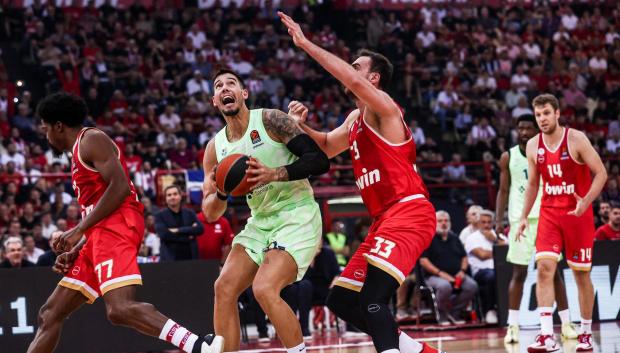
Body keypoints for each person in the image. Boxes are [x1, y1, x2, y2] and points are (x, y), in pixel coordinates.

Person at [280, 12, 440, 353]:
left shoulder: (385, 110)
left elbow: (354, 84)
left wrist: (306, 44)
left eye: (357, 66)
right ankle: (415, 350)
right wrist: (297, 126)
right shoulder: (354, 119)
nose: (350, 70)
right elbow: (325, 145)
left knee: (373, 299)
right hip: (383, 221)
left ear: (374, 77)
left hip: (409, 211)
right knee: (340, 298)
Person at [27, 92, 222, 353]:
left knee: (119, 309)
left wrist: (78, 230)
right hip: (100, 232)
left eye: (45, 128)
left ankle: (199, 346)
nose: (45, 135)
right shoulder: (77, 152)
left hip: (118, 225)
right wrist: (78, 248)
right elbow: (97, 208)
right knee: (49, 314)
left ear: (58, 126)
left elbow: (119, 189)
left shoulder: (91, 139)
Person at [202, 69, 329, 353]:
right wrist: (222, 191)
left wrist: (275, 173)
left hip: (296, 213)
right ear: (214, 101)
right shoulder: (214, 149)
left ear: (244, 93)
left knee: (264, 288)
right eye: (218, 86)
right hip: (260, 220)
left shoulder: (271, 120)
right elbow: (210, 213)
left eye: (231, 83)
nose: (225, 88)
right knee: (224, 288)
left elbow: (319, 160)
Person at [518, 94, 607, 352]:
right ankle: (547, 335)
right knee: (544, 268)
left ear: (557, 113)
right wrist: (524, 216)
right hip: (549, 213)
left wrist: (587, 200)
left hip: (577, 214)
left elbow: (601, 173)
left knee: (581, 275)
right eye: (538, 115)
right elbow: (533, 183)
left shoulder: (576, 139)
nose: (542, 119)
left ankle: (586, 333)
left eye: (546, 113)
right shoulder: (533, 145)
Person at [496, 114, 577, 344]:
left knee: (555, 274)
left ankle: (567, 323)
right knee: (518, 274)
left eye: (528, 128)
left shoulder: (547, 153)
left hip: (547, 218)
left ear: (536, 130)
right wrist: (499, 219)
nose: (523, 132)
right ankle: (512, 325)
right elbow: (503, 190)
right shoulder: (508, 156)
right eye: (520, 128)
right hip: (519, 221)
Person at [420, 211, 477, 326]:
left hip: (456, 275)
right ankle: (442, 314)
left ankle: (454, 311)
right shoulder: (428, 238)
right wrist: (440, 273)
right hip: (434, 276)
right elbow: (423, 261)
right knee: (444, 286)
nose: (443, 223)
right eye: (440, 221)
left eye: (446, 221)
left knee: (472, 286)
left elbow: (464, 257)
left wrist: (462, 271)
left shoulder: (454, 238)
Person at [464, 210, 506, 324]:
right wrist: (498, 250)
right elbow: (482, 255)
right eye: (483, 222)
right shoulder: (472, 238)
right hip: (481, 271)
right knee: (491, 276)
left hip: (501, 269)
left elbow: (509, 252)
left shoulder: (499, 236)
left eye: (489, 222)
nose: (486, 225)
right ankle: (490, 310)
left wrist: (495, 240)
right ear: (478, 223)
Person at [155, 185, 204, 261]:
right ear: (166, 198)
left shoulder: (190, 213)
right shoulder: (159, 215)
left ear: (180, 196)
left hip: (191, 259)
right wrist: (188, 236)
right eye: (169, 195)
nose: (172, 197)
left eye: (175, 194)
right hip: (170, 260)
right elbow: (164, 234)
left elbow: (200, 229)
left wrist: (178, 230)